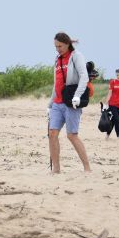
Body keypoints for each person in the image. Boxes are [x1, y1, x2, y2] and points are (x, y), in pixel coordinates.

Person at [47, 32, 91, 173]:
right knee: (52, 134)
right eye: (56, 46)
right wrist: (50, 104)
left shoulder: (76, 56)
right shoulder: (57, 59)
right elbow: (56, 83)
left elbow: (84, 77)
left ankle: (87, 168)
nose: (58, 49)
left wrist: (77, 96)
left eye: (60, 46)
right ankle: (56, 170)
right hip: (57, 103)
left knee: (72, 135)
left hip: (71, 102)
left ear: (67, 44)